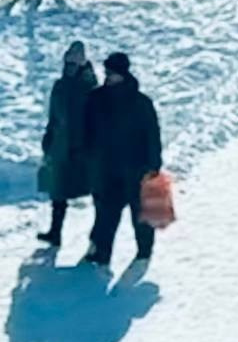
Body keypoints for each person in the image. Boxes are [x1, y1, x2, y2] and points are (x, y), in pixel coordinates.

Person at [82, 51, 163, 269]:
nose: (108, 76)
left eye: (112, 72)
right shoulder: (96, 99)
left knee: (140, 213)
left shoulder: (141, 102)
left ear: (123, 73)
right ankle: (102, 253)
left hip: (135, 168)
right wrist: (89, 158)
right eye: (106, 71)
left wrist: (153, 165)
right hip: (105, 167)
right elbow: (86, 131)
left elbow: (152, 135)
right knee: (106, 213)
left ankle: (144, 251)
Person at [38, 41, 97, 247]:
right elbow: (54, 117)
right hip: (60, 146)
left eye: (75, 61)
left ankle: (98, 237)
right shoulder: (60, 85)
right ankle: (55, 233)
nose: (71, 65)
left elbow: (92, 119)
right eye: (68, 60)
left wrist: (86, 145)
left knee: (93, 190)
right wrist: (48, 141)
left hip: (81, 147)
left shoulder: (89, 86)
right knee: (58, 192)